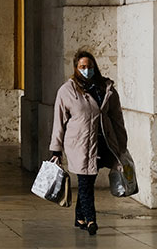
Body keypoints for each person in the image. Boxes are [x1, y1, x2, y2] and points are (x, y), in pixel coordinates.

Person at [49, 50, 128, 236]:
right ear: (76, 68)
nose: (86, 70)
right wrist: (56, 149)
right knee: (85, 182)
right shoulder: (67, 91)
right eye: (83, 67)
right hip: (79, 144)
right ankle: (91, 220)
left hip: (102, 142)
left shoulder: (106, 88)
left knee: (88, 181)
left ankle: (79, 218)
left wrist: (122, 144)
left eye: (90, 67)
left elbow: (116, 117)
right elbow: (58, 121)